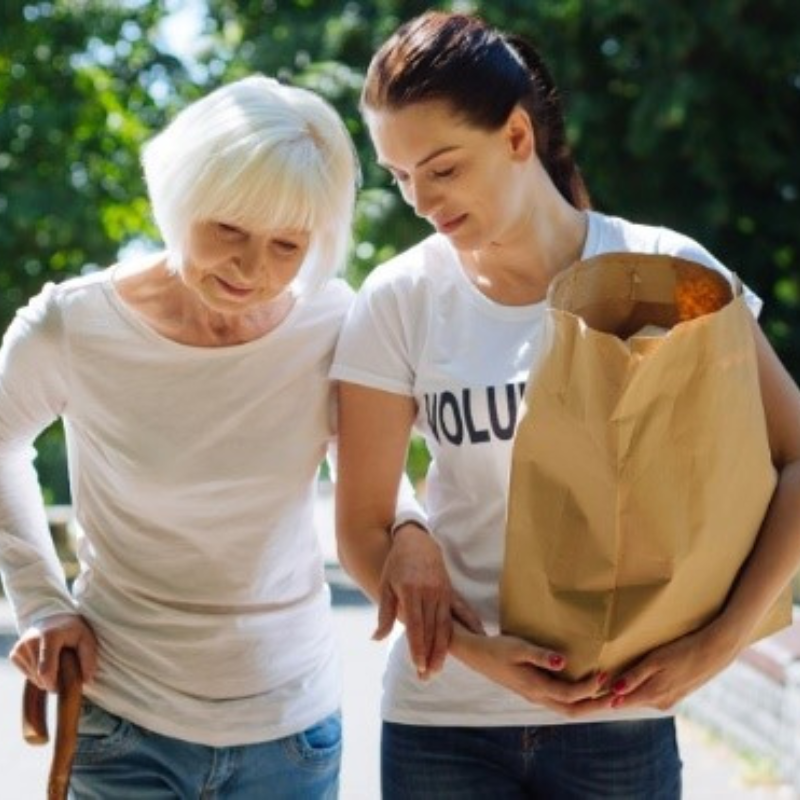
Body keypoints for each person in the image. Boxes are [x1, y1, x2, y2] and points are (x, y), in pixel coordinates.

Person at [330, 10, 800, 799]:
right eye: (400, 177)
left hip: (620, 722)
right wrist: (479, 657)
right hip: (441, 724)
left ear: (517, 137)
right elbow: (362, 528)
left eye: (441, 169)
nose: (419, 200)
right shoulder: (401, 297)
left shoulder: (663, 270)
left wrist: (716, 646)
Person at [0, 74, 396, 799]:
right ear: (180, 198)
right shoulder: (73, 324)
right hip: (123, 720)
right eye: (228, 231)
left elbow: (374, 471)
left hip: (292, 729)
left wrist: (417, 536)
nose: (253, 270)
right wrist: (42, 601)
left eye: (287, 245)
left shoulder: (335, 322)